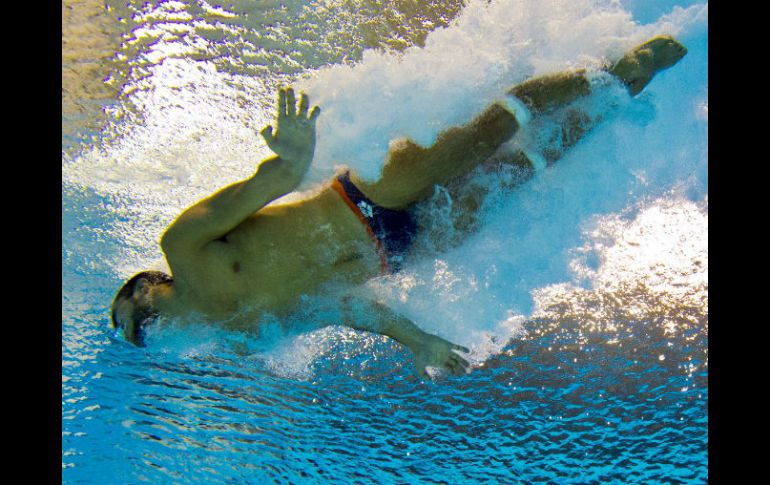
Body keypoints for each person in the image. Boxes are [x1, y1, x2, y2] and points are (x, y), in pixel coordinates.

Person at [111, 35, 687, 377]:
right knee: (523, 170)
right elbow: (342, 308)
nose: (138, 333)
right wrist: (418, 340)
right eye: (135, 336)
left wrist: (293, 155)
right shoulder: (246, 337)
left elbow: (271, 183)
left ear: (143, 290)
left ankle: (613, 72)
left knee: (492, 129)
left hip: (364, 199)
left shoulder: (183, 247)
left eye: (129, 323)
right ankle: (614, 100)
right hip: (403, 249)